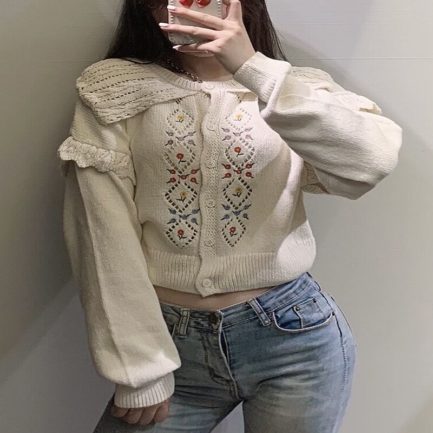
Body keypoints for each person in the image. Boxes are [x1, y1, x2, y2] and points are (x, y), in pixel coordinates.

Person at [56, 0, 403, 431]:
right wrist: (139, 369)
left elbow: (369, 162)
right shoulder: (114, 90)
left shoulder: (293, 89)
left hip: (295, 339)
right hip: (169, 344)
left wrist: (249, 65)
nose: (193, 6)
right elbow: (100, 234)